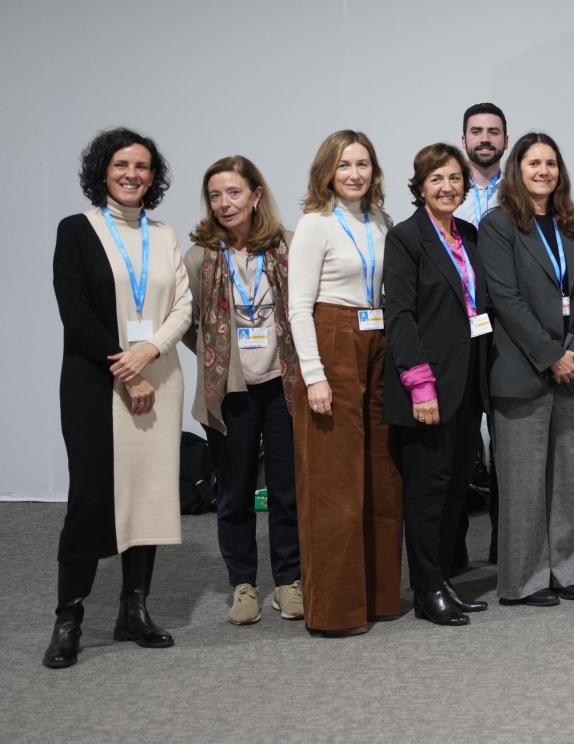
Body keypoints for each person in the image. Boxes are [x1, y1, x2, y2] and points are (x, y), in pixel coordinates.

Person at [44, 128, 192, 669]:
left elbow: (183, 307)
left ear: (153, 178)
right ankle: (69, 617)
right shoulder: (76, 230)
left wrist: (149, 350)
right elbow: (75, 311)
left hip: (160, 375)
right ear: (102, 171)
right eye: (121, 165)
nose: (132, 174)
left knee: (150, 493)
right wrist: (125, 369)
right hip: (95, 383)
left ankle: (134, 609)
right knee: (91, 497)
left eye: (143, 167)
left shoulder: (165, 234)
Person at [478, 132, 574, 606]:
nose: (544, 171)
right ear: (517, 169)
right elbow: (505, 299)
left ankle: (567, 570)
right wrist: (552, 355)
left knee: (569, 476)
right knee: (524, 483)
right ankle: (523, 580)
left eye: (551, 163)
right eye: (534, 163)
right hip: (523, 368)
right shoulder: (499, 225)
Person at [288, 129, 400, 636]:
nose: (354, 174)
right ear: (327, 173)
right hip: (333, 341)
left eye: (363, 164)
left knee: (381, 475)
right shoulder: (314, 224)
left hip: (378, 341)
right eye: (344, 165)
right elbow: (297, 307)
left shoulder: (380, 220)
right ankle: (334, 611)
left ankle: (377, 598)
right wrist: (314, 375)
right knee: (334, 485)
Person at [183, 156, 303, 626]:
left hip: (282, 388)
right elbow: (190, 324)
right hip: (229, 392)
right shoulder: (201, 257)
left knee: (286, 491)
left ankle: (289, 581)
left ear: (255, 195)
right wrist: (219, 362)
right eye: (215, 195)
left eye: (233, 192)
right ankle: (244, 584)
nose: (224, 203)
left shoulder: (289, 248)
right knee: (233, 493)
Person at [383, 144, 492, 625]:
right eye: (436, 179)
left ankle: (444, 579)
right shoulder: (406, 238)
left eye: (454, 178)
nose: (447, 187)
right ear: (420, 187)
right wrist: (419, 384)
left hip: (468, 382)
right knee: (427, 491)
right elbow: (400, 316)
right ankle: (426, 589)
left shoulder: (467, 234)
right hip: (428, 385)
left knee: (454, 489)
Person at [456, 102, 507, 565]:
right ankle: (452, 552)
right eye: (477, 131)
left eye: (493, 131)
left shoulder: (520, 191)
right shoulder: (447, 190)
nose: (485, 138)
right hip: (459, 334)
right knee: (457, 444)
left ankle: (503, 544)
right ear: (464, 137)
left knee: (506, 445)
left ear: (505, 141)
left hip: (507, 331)